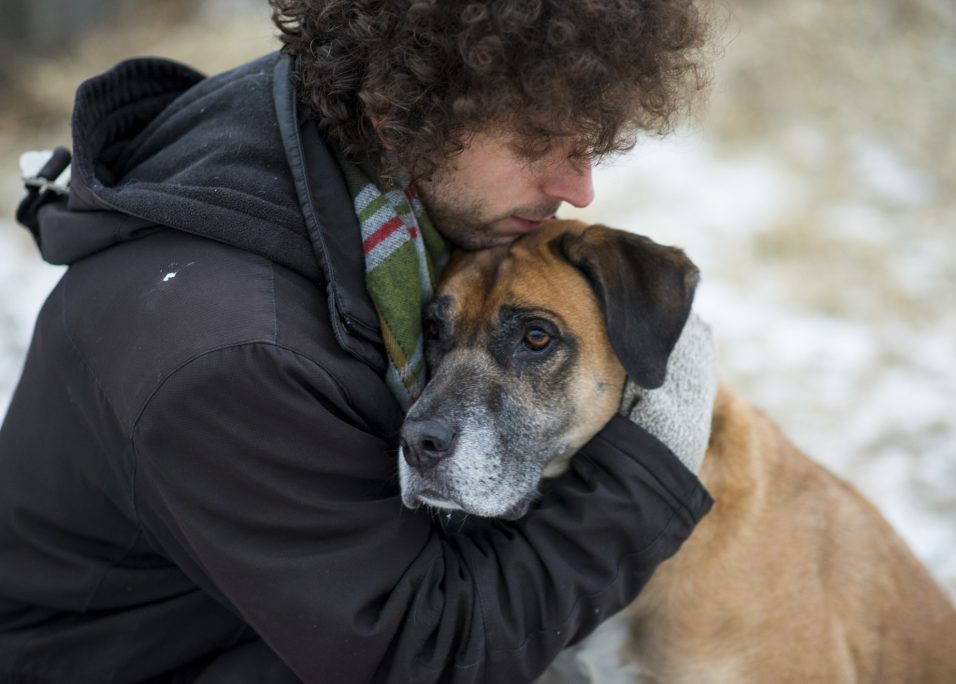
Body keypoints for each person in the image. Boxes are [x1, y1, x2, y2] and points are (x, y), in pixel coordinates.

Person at [0, 1, 716, 682]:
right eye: (536, 144)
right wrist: (645, 471)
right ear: (400, 115)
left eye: (586, 144)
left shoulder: (320, 149)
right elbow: (426, 655)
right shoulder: (237, 354)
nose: (579, 187)